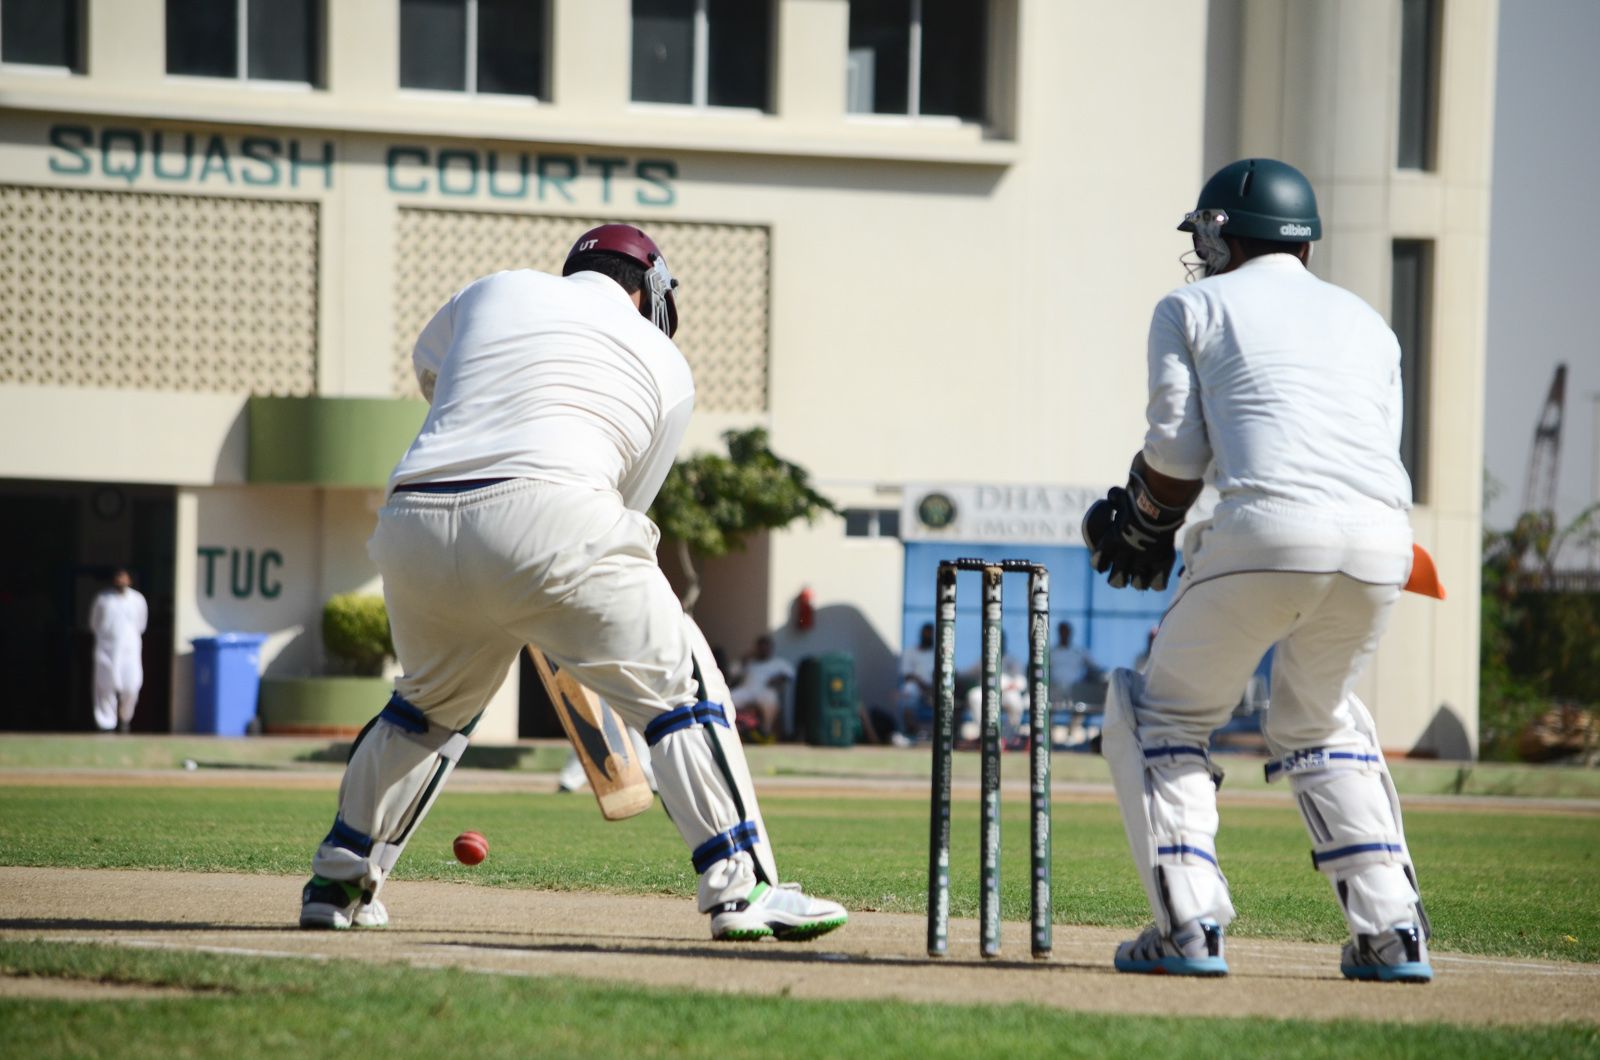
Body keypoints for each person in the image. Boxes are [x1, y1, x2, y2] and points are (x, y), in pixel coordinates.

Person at [300, 224, 846, 942]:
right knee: (682, 691)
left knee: (425, 711)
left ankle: (340, 879)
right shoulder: (666, 363)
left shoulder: (493, 289)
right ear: (650, 290)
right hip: (555, 512)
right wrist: (557, 603)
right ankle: (742, 888)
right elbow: (623, 507)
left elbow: (433, 374)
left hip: (416, 516)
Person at [1081, 159, 1431, 982]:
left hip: (1269, 534)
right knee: (1322, 722)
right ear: (1304, 242)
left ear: (1218, 235)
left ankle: (1188, 925)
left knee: (1161, 716)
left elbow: (1175, 454)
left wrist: (1146, 523)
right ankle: (1393, 932)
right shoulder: (1369, 321)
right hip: (1383, 543)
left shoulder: (1192, 306)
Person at [90, 567, 147, 734]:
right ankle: (106, 724)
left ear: (129, 580)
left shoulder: (137, 600)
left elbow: (141, 624)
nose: (121, 581)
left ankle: (125, 719)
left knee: (132, 686)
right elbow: (94, 623)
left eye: (124, 577)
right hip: (107, 650)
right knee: (105, 687)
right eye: (118, 577)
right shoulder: (103, 599)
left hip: (130, 651)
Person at [728, 634, 795, 741]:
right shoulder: (750, 662)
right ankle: (730, 730)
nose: (763, 650)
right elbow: (732, 672)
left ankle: (765, 731)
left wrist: (777, 679)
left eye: (766, 647)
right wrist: (744, 660)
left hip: (766, 691)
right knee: (728, 699)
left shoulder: (778, 663)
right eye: (761, 647)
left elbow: (789, 675)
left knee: (770, 702)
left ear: (770, 648)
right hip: (747, 690)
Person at [896, 622, 937, 737]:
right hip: (918, 687)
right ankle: (911, 731)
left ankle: (939, 732)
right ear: (921, 635)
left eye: (931, 634)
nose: (928, 636)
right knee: (908, 690)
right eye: (926, 634)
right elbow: (907, 675)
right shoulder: (910, 652)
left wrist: (932, 689)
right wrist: (924, 687)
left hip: (934, 689)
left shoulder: (937, 653)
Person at [1048, 621, 1100, 704]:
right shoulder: (1050, 652)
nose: (1064, 634)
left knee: (1078, 707)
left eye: (1066, 631)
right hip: (1054, 690)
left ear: (1070, 633)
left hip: (1076, 691)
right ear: (1058, 632)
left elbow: (1095, 667)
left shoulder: (1079, 652)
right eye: (1062, 631)